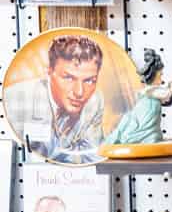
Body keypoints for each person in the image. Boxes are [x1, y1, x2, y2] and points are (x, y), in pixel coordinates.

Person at [4, 34, 105, 164]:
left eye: (89, 81)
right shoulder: (15, 101)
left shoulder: (95, 101)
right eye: (68, 78)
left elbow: (93, 156)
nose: (79, 92)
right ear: (49, 72)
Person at [104, 49, 172, 146]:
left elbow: (166, 99)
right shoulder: (151, 90)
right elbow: (165, 95)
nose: (161, 78)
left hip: (149, 118)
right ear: (153, 76)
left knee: (146, 127)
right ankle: (133, 137)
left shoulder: (153, 91)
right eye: (160, 75)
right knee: (140, 127)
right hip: (145, 115)